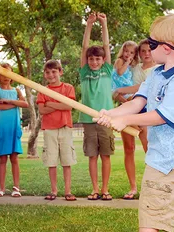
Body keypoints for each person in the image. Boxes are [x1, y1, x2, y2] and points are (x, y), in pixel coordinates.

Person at [95, 14, 174, 232]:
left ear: (166, 48)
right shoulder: (156, 74)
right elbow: (138, 101)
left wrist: (128, 121)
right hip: (162, 155)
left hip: (169, 158)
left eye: (151, 44)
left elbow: (162, 116)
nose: (148, 49)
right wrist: (113, 114)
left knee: (150, 205)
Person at [113, 39, 158, 200]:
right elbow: (119, 77)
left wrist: (121, 90)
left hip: (147, 110)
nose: (146, 53)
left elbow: (142, 88)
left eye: (149, 50)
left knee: (149, 149)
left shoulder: (158, 69)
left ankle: (152, 186)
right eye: (143, 51)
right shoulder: (133, 68)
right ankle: (132, 187)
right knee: (128, 149)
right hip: (130, 108)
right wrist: (119, 96)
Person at [79, 12, 114, 201]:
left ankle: (105, 189)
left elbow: (106, 46)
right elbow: (85, 47)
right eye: (91, 59)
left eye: (98, 59)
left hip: (106, 118)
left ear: (102, 61)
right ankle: (94, 189)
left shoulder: (107, 71)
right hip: (88, 119)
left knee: (106, 156)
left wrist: (104, 23)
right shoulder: (84, 72)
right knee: (92, 156)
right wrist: (89, 25)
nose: (94, 62)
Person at [37, 59, 77, 201]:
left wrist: (51, 103)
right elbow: (42, 110)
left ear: (60, 72)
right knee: (51, 161)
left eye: (54, 71)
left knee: (67, 160)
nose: (51, 75)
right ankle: (54, 190)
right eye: (47, 72)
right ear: (44, 75)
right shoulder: (43, 90)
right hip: (49, 129)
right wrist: (60, 103)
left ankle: (68, 191)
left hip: (65, 127)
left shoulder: (68, 88)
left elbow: (69, 106)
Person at [0, 63, 29, 197]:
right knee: (2, 158)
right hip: (2, 127)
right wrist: (15, 104)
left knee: (14, 158)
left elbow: (26, 104)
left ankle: (16, 187)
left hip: (13, 127)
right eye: (2, 73)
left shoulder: (17, 90)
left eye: (8, 73)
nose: (6, 77)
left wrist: (8, 101)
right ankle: (1, 188)